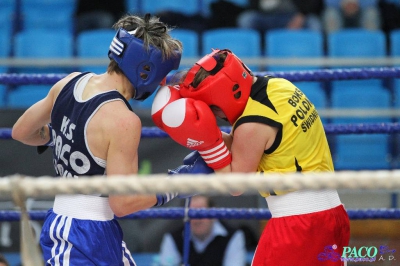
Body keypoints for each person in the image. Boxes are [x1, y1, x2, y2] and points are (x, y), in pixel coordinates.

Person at [12, 13, 183, 265]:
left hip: (87, 228)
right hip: (81, 235)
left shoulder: (70, 82)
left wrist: (61, 138)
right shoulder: (123, 120)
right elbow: (123, 203)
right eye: (161, 74)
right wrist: (177, 184)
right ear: (145, 69)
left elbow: (21, 132)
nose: (161, 82)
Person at [151, 49, 350, 265]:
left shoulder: (251, 124)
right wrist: (206, 133)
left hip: (299, 223)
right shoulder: (279, 86)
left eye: (212, 108)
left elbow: (236, 185)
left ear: (223, 97)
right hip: (332, 214)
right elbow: (253, 144)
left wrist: (208, 144)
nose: (215, 115)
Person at [159, 195, 247, 266]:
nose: (197, 220)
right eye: (192, 213)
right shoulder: (173, 238)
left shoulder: (233, 236)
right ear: (185, 216)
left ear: (214, 213)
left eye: (201, 212)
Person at [236, 0, 324, 32]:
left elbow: (314, 3)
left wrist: (302, 15)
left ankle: (316, 58)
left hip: (292, 17)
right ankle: (256, 50)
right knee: (246, 19)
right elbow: (252, 5)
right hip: (266, 17)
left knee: (313, 23)